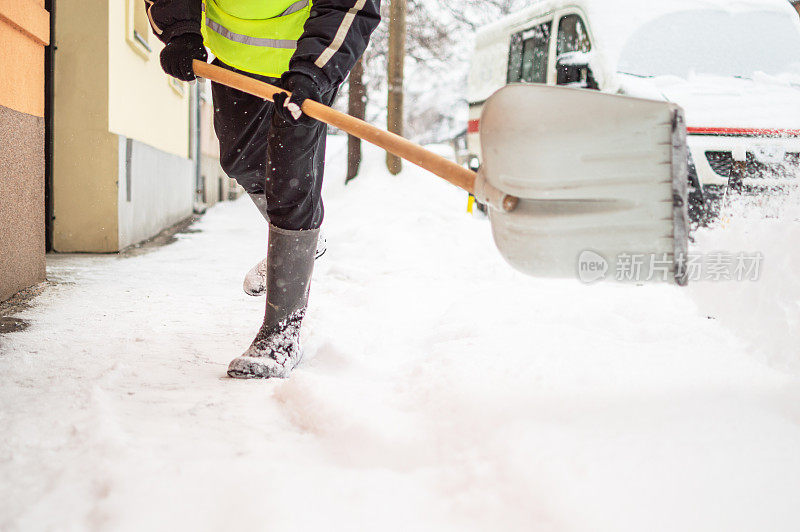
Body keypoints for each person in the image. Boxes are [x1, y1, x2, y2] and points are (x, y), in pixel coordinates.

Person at [145, 0, 380, 378]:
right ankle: (303, 243)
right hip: (232, 60)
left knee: (291, 180)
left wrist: (315, 71)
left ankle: (281, 333)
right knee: (240, 161)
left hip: (305, 62)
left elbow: (350, 5)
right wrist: (180, 30)